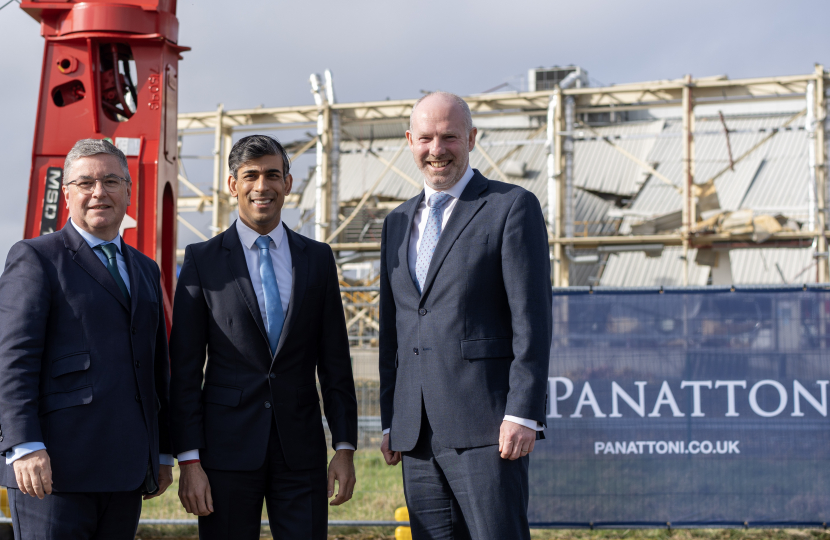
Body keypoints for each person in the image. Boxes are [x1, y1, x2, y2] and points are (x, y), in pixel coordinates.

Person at [378, 92, 552, 540]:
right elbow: (394, 329)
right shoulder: (396, 222)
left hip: (487, 427)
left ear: (472, 138)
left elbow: (531, 321)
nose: (437, 149)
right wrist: (390, 419)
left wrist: (523, 413)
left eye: (449, 136)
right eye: (426, 138)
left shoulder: (511, 206)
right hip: (415, 432)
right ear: (409, 141)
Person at [169, 134, 358, 540]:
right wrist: (189, 460)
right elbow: (184, 370)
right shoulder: (202, 261)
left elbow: (335, 363)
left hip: (301, 453)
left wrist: (344, 447)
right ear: (233, 184)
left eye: (273, 175)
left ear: (288, 183)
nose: (262, 186)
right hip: (224, 454)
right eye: (250, 176)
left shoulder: (318, 259)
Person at [0, 139, 174, 539]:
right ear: (66, 195)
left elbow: (153, 365)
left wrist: (161, 451)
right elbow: (13, 360)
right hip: (54, 470)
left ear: (129, 191)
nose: (99, 192)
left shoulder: (146, 270)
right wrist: (24, 444)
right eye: (86, 183)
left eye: (111, 181)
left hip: (126, 469)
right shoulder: (37, 258)